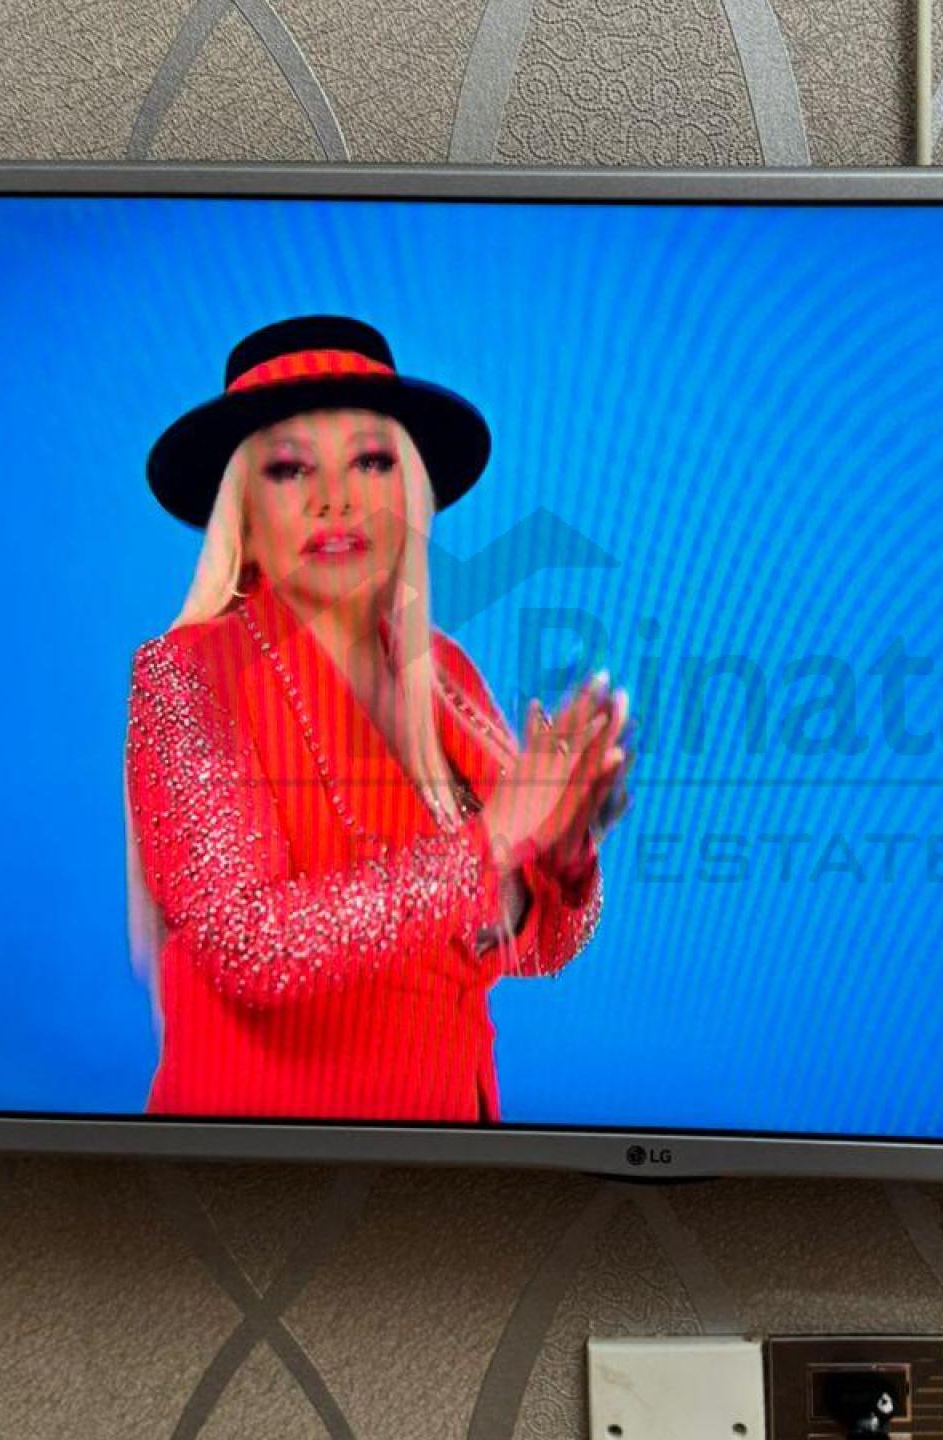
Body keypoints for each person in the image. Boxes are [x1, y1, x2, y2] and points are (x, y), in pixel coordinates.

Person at [124, 315, 628, 1121]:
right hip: (262, 1166)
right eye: (289, 468)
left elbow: (524, 951)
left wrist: (563, 856)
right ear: (243, 511)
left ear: (410, 493)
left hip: (446, 1160)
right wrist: (497, 837)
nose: (336, 498)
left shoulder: (447, 675)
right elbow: (249, 945)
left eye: (370, 460)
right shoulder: (189, 673)